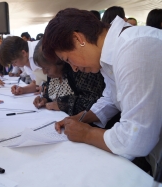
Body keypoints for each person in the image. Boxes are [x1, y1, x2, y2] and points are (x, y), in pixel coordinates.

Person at [42, 8, 162, 175]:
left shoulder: (134, 48)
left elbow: (136, 140)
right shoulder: (110, 54)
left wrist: (87, 133)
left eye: (68, 60)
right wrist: (81, 117)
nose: (74, 69)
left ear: (78, 39)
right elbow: (112, 98)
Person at [32, 39, 105, 116]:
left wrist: (63, 105)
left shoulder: (80, 70)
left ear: (60, 62)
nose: (44, 72)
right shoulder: (53, 76)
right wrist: (45, 99)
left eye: (47, 68)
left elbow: (93, 101)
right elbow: (50, 92)